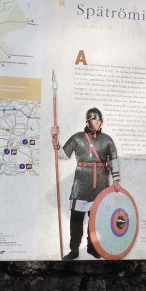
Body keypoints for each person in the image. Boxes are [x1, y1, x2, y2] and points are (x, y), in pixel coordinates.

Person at [52, 107, 120, 260]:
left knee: (95, 218)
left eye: (98, 120)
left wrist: (116, 180)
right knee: (76, 217)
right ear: (88, 121)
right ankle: (74, 249)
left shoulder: (107, 139)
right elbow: (62, 155)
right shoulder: (77, 138)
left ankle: (92, 247)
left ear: (101, 123)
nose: (97, 122)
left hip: (101, 182)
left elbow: (114, 160)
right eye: (94, 119)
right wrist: (55, 140)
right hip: (81, 182)